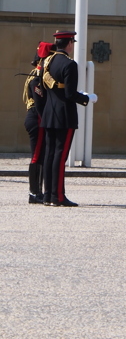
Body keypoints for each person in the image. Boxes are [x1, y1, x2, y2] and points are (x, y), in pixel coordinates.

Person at [39, 31, 97, 207]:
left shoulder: (47, 61)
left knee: (49, 154)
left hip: (49, 114)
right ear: (69, 43)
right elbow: (70, 94)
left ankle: (48, 194)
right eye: (72, 42)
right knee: (60, 156)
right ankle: (58, 196)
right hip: (64, 115)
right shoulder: (69, 64)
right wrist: (87, 98)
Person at [23, 41, 52, 204]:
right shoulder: (37, 78)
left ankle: (38, 191)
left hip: (36, 117)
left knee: (40, 156)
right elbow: (40, 105)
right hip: (37, 118)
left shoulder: (36, 76)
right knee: (36, 156)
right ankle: (34, 192)